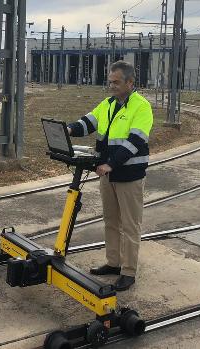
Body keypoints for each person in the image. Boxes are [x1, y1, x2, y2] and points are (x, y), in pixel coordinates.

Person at [67, 60, 153, 291]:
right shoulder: (107, 104)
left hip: (129, 175)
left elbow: (135, 141)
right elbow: (87, 123)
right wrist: (68, 129)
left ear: (130, 82)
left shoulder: (141, 106)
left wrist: (111, 164)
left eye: (116, 82)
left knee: (130, 225)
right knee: (111, 222)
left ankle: (128, 271)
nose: (111, 86)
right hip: (108, 174)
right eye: (110, 82)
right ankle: (114, 263)